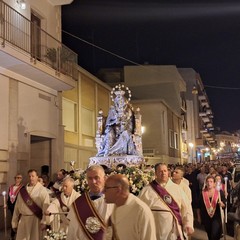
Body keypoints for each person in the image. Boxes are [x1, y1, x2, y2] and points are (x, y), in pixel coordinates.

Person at [138, 163, 194, 240]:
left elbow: (187, 208)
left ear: (168, 172)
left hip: (171, 229)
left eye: (165, 171)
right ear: (156, 173)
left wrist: (188, 224)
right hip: (153, 227)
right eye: (160, 171)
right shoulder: (147, 190)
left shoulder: (177, 189)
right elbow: (138, 209)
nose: (163, 173)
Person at [67, 165, 113, 240]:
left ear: (104, 179)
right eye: (90, 178)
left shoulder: (113, 202)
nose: (93, 182)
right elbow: (72, 232)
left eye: (96, 178)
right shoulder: (79, 203)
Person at [104, 174, 156, 240]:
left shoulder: (141, 211)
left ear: (118, 190)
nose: (103, 191)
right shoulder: (116, 206)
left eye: (106, 188)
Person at [11, 169, 50, 240]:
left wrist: (44, 221)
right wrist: (14, 222)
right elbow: (16, 207)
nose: (31, 178)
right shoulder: (23, 191)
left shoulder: (42, 190)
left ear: (37, 177)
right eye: (29, 176)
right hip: (23, 220)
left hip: (35, 220)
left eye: (33, 176)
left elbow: (46, 207)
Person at [197, 175, 226, 240]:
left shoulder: (219, 192)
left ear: (214, 183)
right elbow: (199, 206)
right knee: (209, 235)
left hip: (216, 217)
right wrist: (199, 217)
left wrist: (222, 204)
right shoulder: (203, 193)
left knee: (215, 235)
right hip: (206, 217)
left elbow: (225, 203)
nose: (209, 183)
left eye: (211, 181)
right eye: (207, 181)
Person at [7, 174, 23, 240]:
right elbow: (8, 197)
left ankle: (19, 236)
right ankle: (12, 236)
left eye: (20, 178)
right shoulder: (11, 187)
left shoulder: (22, 187)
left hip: (19, 206)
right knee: (13, 221)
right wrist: (7, 204)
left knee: (19, 221)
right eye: (17, 177)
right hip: (12, 206)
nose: (18, 179)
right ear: (15, 178)